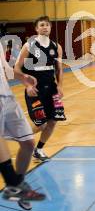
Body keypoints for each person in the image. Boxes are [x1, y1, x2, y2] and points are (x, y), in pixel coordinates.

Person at [0, 0, 46, 209]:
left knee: (28, 142)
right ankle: (14, 185)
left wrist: (19, 75)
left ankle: (16, 183)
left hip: (5, 92)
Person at [15, 16, 66, 162]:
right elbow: (16, 69)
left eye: (47, 25)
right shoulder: (29, 46)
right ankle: (24, 141)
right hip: (35, 91)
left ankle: (39, 150)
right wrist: (28, 85)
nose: (45, 27)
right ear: (36, 28)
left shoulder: (56, 47)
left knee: (53, 121)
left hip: (52, 89)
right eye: (42, 25)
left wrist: (60, 86)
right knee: (41, 123)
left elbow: (59, 69)